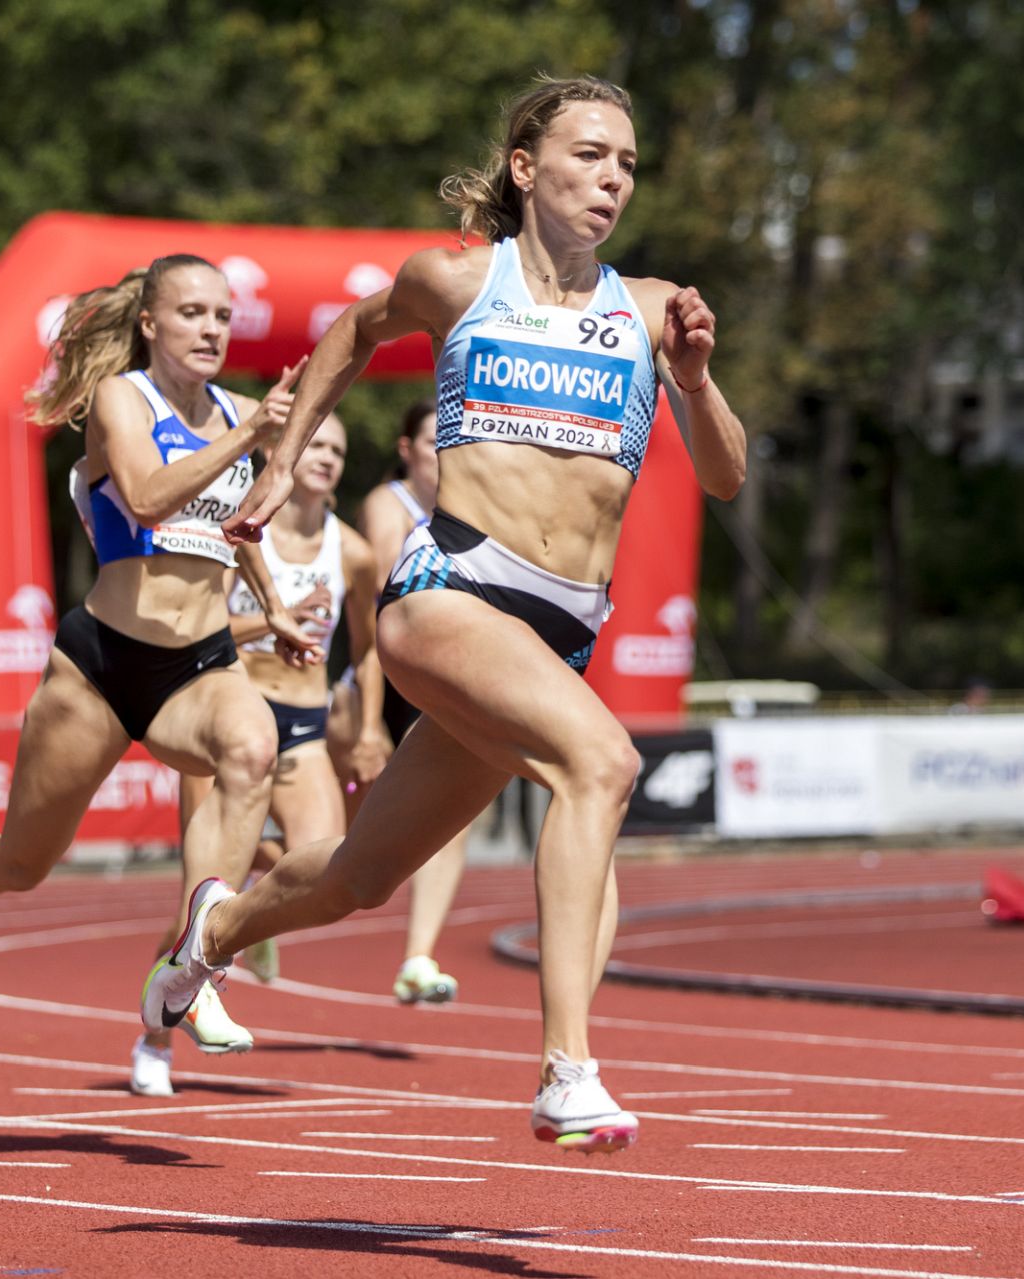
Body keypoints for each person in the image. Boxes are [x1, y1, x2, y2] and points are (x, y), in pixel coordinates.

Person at [142, 76, 747, 1154]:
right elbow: (349, 333)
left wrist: (696, 384)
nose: (613, 179)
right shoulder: (459, 278)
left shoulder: (652, 308)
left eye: (628, 164)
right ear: (526, 168)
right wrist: (279, 464)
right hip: (449, 591)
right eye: (590, 155)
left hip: (555, 634)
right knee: (603, 765)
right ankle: (566, 1072)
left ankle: (212, 930)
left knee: (361, 876)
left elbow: (727, 477)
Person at [0, 255, 320, 1068]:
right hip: (101, 668)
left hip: (199, 664)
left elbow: (240, 526)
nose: (211, 330)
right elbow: (149, 496)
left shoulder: (237, 411)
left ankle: (198, 966)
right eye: (192, 313)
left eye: (222, 316)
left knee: (252, 746)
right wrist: (250, 435)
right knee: (23, 862)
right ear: (151, 324)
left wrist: (271, 607)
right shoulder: (126, 398)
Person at [134, 411, 391, 1095]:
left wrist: (370, 727)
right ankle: (154, 1040)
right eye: (316, 445)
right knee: (194, 903)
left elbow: (369, 650)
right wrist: (276, 619)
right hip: (233, 722)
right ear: (286, 452)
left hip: (304, 726)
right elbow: (203, 623)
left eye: (339, 450)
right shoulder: (241, 527)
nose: (327, 458)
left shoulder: (353, 551)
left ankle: (250, 908)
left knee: (333, 870)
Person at [350, 402, 475, 1005]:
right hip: (377, 671)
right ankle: (249, 898)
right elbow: (383, 580)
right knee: (346, 841)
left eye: (449, 438)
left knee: (452, 812)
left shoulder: (469, 500)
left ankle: (418, 958)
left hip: (440, 672)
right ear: (406, 450)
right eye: (431, 440)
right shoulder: (388, 502)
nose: (442, 450)